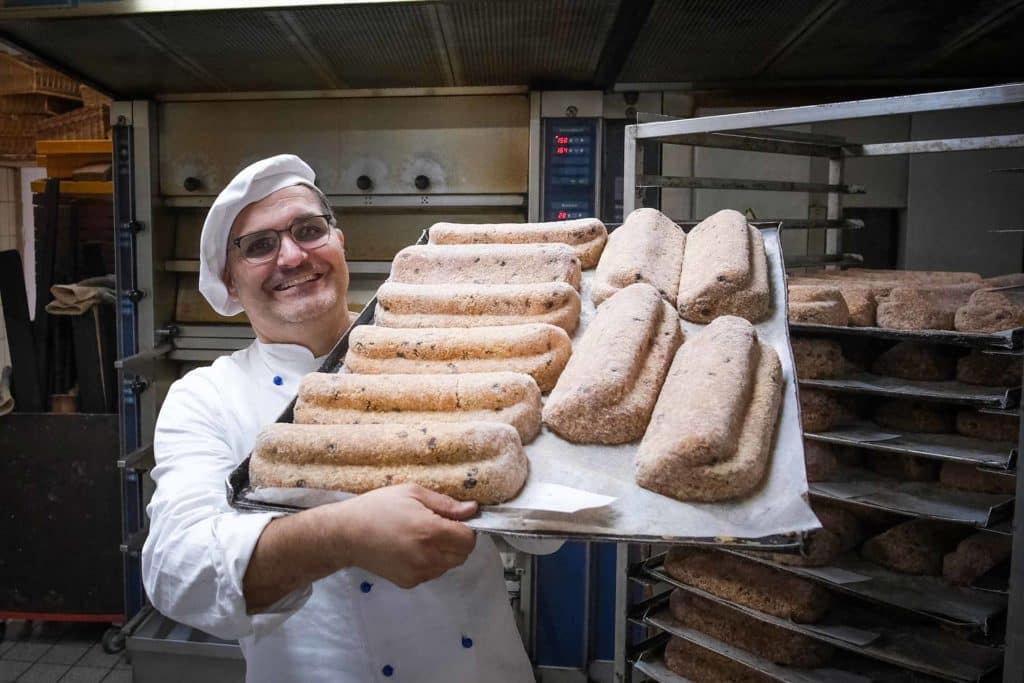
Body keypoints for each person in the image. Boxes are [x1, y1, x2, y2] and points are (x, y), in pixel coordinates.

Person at [141, 155, 535, 682]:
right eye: (258, 246)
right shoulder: (207, 398)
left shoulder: (438, 348)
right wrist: (340, 535)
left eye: (308, 230)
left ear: (340, 241)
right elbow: (177, 573)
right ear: (229, 283)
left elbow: (541, 530)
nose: (292, 255)